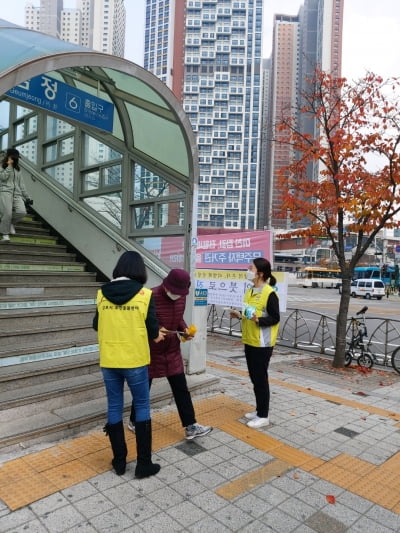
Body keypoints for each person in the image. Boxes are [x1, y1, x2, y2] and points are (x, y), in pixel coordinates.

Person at [93, 251, 165, 478]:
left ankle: (119, 461)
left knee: (114, 406)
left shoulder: (101, 294)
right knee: (142, 406)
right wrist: (157, 335)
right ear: (139, 271)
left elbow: (96, 325)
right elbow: (154, 330)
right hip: (134, 360)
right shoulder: (145, 294)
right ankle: (144, 465)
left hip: (109, 359)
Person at [128, 268, 213, 440]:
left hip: (172, 350)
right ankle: (134, 421)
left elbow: (178, 318)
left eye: (180, 293)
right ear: (166, 284)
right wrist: (156, 330)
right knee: (143, 389)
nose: (177, 295)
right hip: (152, 350)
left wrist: (184, 330)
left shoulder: (181, 295)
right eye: (174, 291)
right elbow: (140, 321)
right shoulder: (149, 295)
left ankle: (191, 426)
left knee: (181, 389)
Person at [230, 258, 280, 429]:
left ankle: (264, 416)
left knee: (260, 378)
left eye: (250, 268)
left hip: (262, 343)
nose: (248, 270)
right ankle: (259, 409)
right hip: (249, 339)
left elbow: (275, 318)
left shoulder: (269, 293)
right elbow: (249, 312)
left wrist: (258, 319)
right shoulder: (251, 291)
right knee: (254, 376)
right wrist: (239, 315)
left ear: (260, 273)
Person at [0, 148, 32, 242]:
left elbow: (21, 184)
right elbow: (3, 177)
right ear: (9, 157)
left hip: (17, 194)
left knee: (22, 212)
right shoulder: (2, 166)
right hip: (5, 192)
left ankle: (8, 223)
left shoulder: (18, 169)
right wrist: (9, 165)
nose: (16, 159)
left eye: (17, 158)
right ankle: (5, 235)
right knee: (8, 213)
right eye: (14, 157)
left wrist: (28, 197)